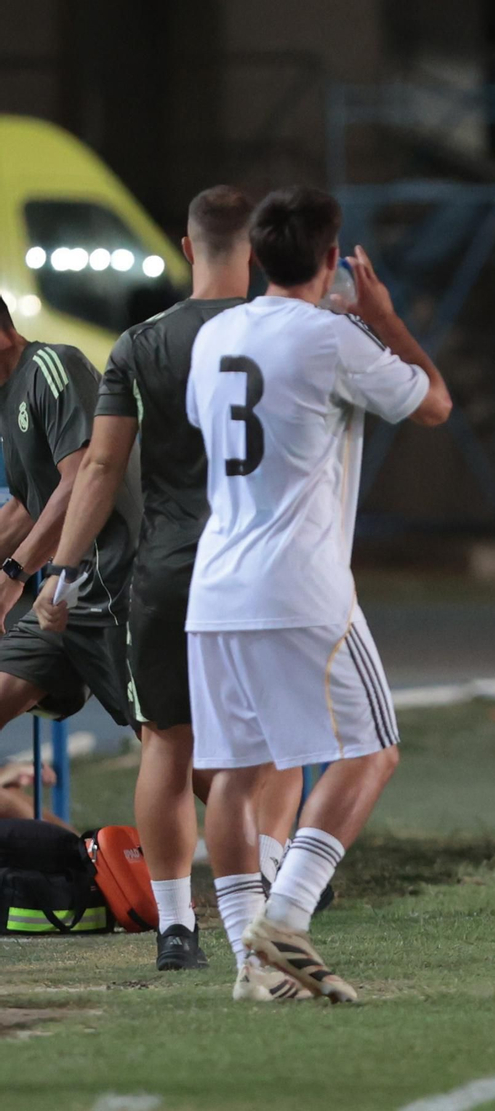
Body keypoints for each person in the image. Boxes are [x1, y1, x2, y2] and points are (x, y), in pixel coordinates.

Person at [183, 187, 451, 1003]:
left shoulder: (215, 334)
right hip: (301, 585)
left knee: (234, 770)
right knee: (372, 749)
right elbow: (433, 401)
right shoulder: (334, 336)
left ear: (257, 257)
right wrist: (384, 315)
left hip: (217, 584)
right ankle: (287, 920)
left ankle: (250, 964)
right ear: (333, 259)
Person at [35, 186, 303, 983]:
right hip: (262, 562)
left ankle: (176, 926)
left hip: (172, 564)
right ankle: (272, 894)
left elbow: (105, 466)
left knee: (166, 739)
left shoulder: (140, 343)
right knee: (279, 737)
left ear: (187, 248)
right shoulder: (283, 334)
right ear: (253, 250)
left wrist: (62, 569)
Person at [0, 304, 141, 819]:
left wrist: (14, 574)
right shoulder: (4, 397)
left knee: (170, 747)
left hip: (113, 589)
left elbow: (80, 477)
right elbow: (24, 506)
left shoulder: (52, 368)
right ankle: (54, 856)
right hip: (58, 605)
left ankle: (274, 854)